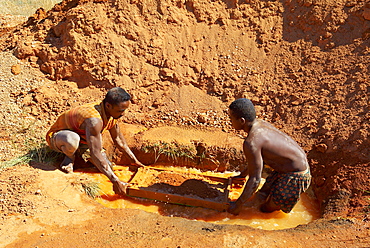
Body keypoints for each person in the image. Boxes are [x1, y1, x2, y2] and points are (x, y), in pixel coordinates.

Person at [46, 87, 144, 195]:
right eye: (120, 110)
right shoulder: (94, 120)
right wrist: (115, 181)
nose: (123, 114)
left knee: (108, 167)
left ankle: (79, 152)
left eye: (124, 110)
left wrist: (134, 160)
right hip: (60, 136)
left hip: (83, 138)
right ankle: (69, 158)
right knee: (72, 140)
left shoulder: (111, 113)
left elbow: (118, 139)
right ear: (108, 106)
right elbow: (95, 152)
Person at [227, 98, 311, 215]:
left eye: (231, 118)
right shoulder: (260, 124)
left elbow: (255, 180)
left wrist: (237, 205)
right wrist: (242, 176)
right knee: (260, 196)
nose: (230, 121)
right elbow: (255, 163)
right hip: (286, 166)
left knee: (265, 210)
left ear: (242, 121)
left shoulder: (251, 142)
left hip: (296, 176)